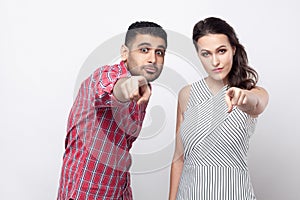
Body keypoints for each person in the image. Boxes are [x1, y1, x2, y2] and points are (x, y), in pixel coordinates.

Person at [57, 21, 167, 200]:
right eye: (144, 50)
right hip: (84, 192)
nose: (153, 59)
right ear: (124, 52)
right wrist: (128, 84)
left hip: (117, 189)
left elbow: (122, 145)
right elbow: (113, 88)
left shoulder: (145, 89)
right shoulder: (104, 76)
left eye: (159, 52)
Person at [169, 17, 269, 200]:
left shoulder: (252, 93)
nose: (215, 61)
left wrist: (244, 97)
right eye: (206, 54)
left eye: (221, 51)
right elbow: (178, 158)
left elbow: (257, 103)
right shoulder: (186, 95)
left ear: (233, 49)